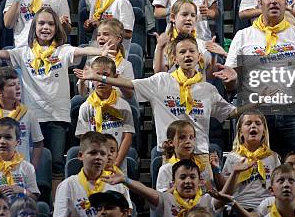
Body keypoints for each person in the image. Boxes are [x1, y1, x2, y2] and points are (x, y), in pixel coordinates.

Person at [0, 6, 111, 177]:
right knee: (28, 162)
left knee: (56, 164)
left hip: (57, 116)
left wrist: (100, 51)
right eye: (41, 23)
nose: (45, 27)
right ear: (34, 27)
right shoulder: (24, 52)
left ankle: (54, 202)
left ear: (56, 29)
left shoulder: (63, 50)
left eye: (50, 24)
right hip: (32, 115)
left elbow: (83, 50)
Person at [82, 33, 238, 161]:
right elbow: (129, 84)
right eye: (182, 52)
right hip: (170, 155)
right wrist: (99, 78)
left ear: (199, 56)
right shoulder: (161, 81)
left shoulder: (208, 89)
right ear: (175, 59)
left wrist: (247, 90)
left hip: (200, 154)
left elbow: (232, 113)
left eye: (191, 51)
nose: (188, 55)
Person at [221, 0, 295, 157]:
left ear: (286, 2)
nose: (274, 0)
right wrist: (231, 81)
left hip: (293, 114)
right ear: (260, 3)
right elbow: (231, 86)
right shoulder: (243, 36)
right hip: (255, 116)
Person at [105, 159, 234, 217]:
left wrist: (235, 173)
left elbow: (226, 195)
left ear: (200, 181)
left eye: (192, 177)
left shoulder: (207, 200)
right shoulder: (166, 199)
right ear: (173, 182)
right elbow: (144, 190)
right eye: (182, 177)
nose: (188, 181)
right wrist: (125, 180)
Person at [52, 131, 132, 217]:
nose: (98, 157)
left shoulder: (117, 184)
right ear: (80, 155)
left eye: (103, 154)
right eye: (93, 153)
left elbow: (127, 216)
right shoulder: (67, 185)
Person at [0, 67, 44, 168]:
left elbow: (38, 143)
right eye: (12, 85)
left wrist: (32, 167)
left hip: (21, 170)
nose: (18, 87)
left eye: (18, 84)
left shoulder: (29, 114)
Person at [75, 56, 134, 172]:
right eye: (97, 75)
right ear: (91, 78)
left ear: (114, 77)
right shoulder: (86, 107)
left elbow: (127, 137)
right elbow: (84, 138)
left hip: (118, 165)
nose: (101, 80)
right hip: (93, 165)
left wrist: (115, 164)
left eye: (106, 75)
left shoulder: (123, 106)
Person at [216, 110, 280, 215]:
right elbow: (225, 189)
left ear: (264, 131)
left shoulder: (273, 157)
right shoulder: (233, 157)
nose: (253, 126)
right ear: (240, 131)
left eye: (258, 123)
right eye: (248, 123)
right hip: (238, 207)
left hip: (266, 208)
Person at [156, 119, 214, 192]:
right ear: (171, 142)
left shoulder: (202, 167)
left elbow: (210, 193)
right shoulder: (166, 169)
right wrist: (179, 186)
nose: (188, 141)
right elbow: (162, 198)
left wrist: (205, 184)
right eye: (182, 138)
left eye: (191, 137)